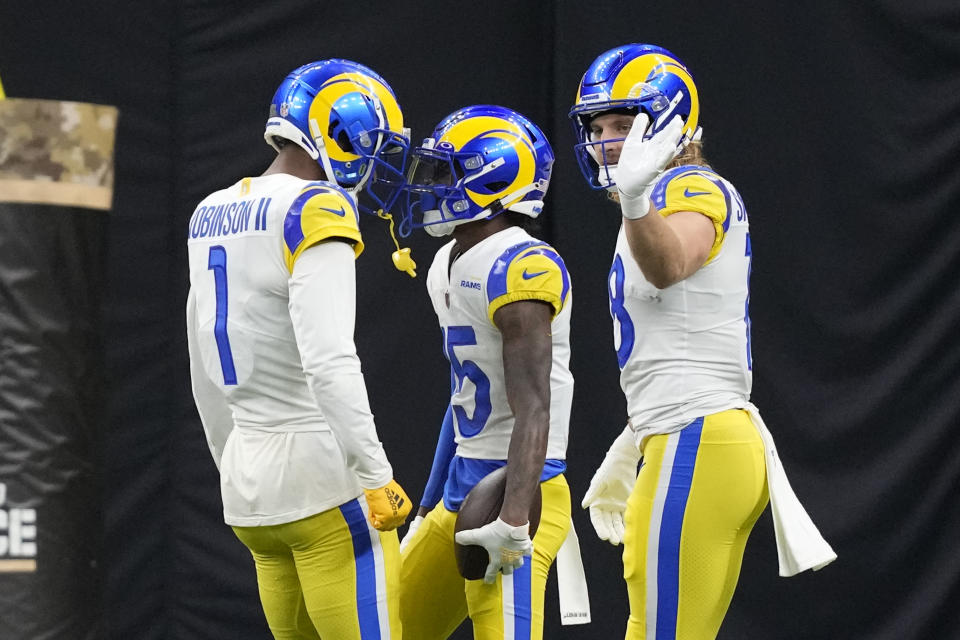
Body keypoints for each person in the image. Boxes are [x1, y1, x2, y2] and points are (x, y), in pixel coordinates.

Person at [570, 44, 836, 639]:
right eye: (598, 126)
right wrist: (637, 431)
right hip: (695, 435)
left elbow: (670, 266)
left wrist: (637, 200)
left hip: (697, 438)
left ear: (667, 121)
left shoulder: (690, 188)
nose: (606, 139)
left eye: (622, 123)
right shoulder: (658, 198)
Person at [185, 58, 413, 639]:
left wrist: (232, 462)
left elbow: (201, 362)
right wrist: (375, 472)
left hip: (248, 482)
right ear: (337, 129)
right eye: (371, 140)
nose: (375, 158)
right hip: (320, 476)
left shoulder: (209, 211)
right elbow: (329, 358)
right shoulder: (316, 208)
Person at [393, 105, 579, 639]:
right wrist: (428, 509)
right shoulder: (447, 261)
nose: (430, 185)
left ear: (492, 176)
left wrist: (515, 518)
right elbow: (462, 400)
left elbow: (534, 407)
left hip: (518, 490)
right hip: (462, 486)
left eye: (446, 173)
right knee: (389, 626)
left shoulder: (520, 265)